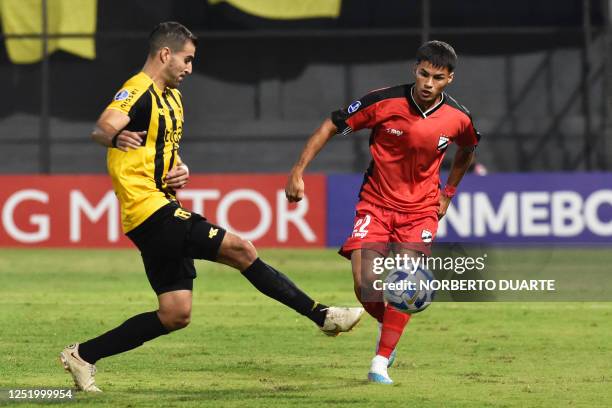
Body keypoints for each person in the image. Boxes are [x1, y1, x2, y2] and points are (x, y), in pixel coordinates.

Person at [59, 21, 363, 392]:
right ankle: (323, 315)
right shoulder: (136, 90)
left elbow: (166, 153)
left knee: (175, 313)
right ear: (165, 54)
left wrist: (179, 169)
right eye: (187, 60)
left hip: (160, 206)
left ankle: (83, 355)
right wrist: (116, 134)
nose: (190, 68)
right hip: (150, 210)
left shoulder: (172, 98)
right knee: (241, 249)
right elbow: (102, 127)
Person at [285, 40, 479, 384]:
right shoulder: (383, 101)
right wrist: (298, 171)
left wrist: (448, 192)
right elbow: (332, 124)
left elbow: (468, 148)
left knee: (409, 283)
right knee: (365, 284)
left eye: (437, 77)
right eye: (423, 74)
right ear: (414, 70)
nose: (428, 83)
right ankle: (387, 323)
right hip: (375, 203)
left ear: (449, 79)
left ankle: (380, 361)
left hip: (420, 211)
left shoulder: (458, 117)